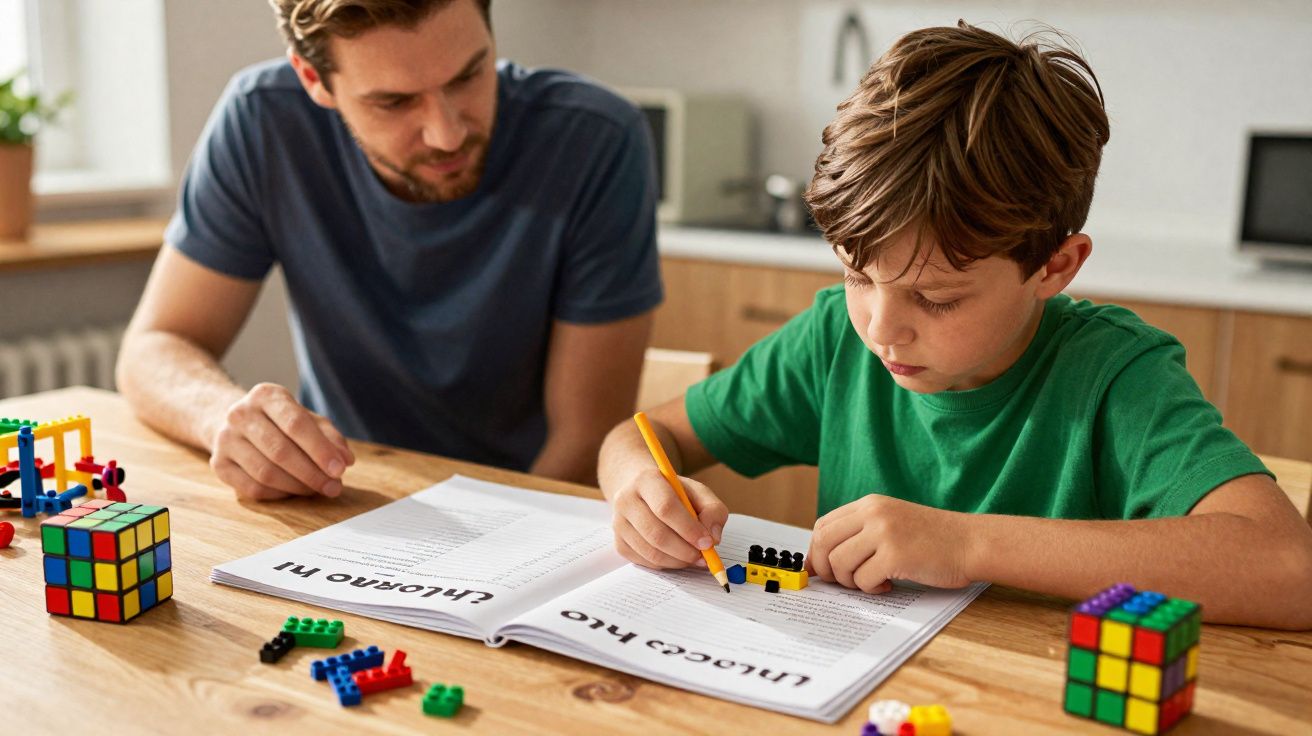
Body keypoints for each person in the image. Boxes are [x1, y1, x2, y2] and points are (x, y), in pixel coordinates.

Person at [596, 21, 1312, 629]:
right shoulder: (832, 343)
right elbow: (639, 437)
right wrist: (641, 489)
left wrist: (966, 543)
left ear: (1055, 268)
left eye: (936, 299)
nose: (882, 329)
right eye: (855, 275)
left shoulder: (1113, 375)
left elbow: (1288, 568)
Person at [118, 0, 662, 500]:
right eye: (394, 102)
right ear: (314, 80)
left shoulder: (596, 140)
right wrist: (222, 418)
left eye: (470, 74)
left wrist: (495, 549)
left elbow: (585, 438)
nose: (447, 134)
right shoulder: (263, 120)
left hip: (525, 498)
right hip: (343, 497)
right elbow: (155, 345)